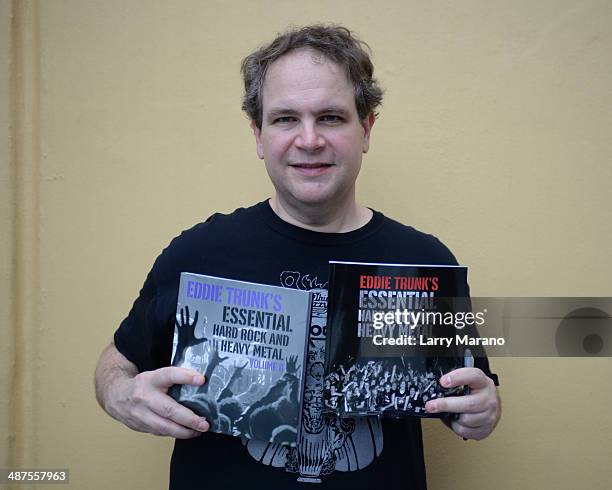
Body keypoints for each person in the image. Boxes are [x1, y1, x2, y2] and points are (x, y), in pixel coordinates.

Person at [94, 24, 501, 489]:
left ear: (366, 128)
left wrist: (482, 412)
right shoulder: (199, 252)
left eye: (330, 117)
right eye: (286, 118)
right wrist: (121, 394)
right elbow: (118, 361)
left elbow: (469, 393)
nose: (309, 140)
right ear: (259, 135)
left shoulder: (423, 262)